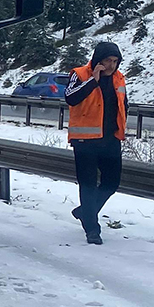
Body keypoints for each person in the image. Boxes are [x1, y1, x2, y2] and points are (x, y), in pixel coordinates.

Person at [65, 41, 127, 245]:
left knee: (111, 182)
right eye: (107, 60)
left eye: (115, 61)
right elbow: (71, 98)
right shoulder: (80, 74)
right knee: (88, 185)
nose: (111, 65)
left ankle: (85, 212)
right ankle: (92, 229)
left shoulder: (119, 78)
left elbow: (123, 104)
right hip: (85, 141)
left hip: (110, 139)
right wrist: (94, 80)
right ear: (97, 60)